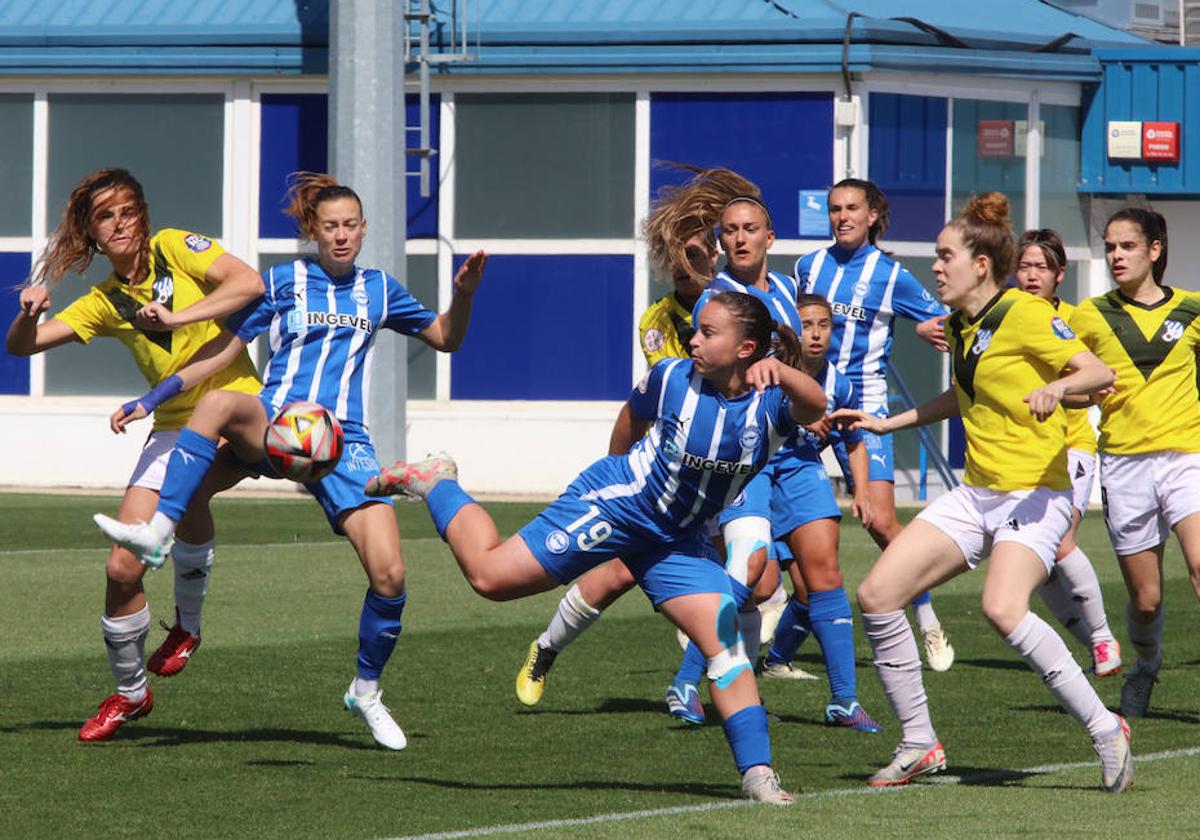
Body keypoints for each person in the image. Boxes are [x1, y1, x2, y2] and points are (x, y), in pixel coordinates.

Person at [368, 290, 827, 804]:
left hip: (677, 540)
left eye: (708, 333)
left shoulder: (768, 407)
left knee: (725, 649)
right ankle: (436, 481)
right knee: (489, 578)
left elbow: (816, 404)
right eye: (695, 330)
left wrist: (781, 371)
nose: (693, 340)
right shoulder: (673, 377)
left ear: (746, 349)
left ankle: (759, 778)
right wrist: (616, 480)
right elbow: (632, 415)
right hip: (618, 507)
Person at [94, 172, 488, 750]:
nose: (342, 236)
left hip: (343, 444)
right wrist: (152, 399)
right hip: (276, 423)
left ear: (363, 228)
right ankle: (157, 535)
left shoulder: (380, 289)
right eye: (330, 226)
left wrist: (466, 293)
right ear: (313, 231)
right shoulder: (281, 283)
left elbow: (447, 338)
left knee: (391, 575)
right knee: (223, 402)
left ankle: (367, 691)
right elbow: (220, 352)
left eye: (351, 225)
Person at [836, 192, 1130, 793]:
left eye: (946, 256)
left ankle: (1106, 730)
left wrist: (1058, 389)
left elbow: (1100, 372)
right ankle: (919, 743)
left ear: (981, 264)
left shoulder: (1023, 311)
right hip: (979, 493)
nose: (936, 267)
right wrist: (887, 422)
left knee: (1001, 608)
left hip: (1036, 495)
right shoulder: (958, 323)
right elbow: (965, 397)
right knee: (877, 593)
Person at [5, 168, 264, 741]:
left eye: (127, 211)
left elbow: (249, 285)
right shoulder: (105, 302)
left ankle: (188, 627)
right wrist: (30, 312)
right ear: (92, 234)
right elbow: (22, 348)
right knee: (121, 567)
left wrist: (179, 317)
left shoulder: (176, 246)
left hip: (237, 406)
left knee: (194, 483)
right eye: (105, 216)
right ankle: (130, 694)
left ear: (142, 215)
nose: (119, 223)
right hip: (173, 426)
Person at [796, 179, 955, 671]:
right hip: (809, 402)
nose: (842, 217)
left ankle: (926, 618)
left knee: (880, 520)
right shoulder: (809, 266)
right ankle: (759, 617)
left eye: (852, 209)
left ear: (872, 216)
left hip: (863, 409)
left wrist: (928, 324)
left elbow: (947, 319)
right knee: (781, 511)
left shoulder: (891, 276)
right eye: (835, 209)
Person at [1067, 208, 1200, 718]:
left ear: (1155, 250)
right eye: (1111, 247)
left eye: (1127, 246)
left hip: (1187, 456)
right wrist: (1080, 395)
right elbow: (1070, 392)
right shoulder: (1088, 315)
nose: (1116, 256)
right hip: (1123, 465)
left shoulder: (1190, 309)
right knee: (1146, 600)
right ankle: (1146, 667)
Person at [1013, 229, 1121, 676]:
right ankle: (1090, 641)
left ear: (1060, 274)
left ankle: (1100, 638)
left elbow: (1101, 386)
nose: (1032, 275)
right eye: (1024, 266)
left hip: (1071, 446)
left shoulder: (1078, 320)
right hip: (1021, 453)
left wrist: (1061, 394)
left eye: (1041, 267)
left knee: (1060, 544)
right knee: (1038, 561)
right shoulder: (1005, 316)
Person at [759, 294, 872, 685]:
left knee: (813, 588)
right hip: (759, 478)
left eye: (824, 325)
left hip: (802, 479)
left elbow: (853, 440)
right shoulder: (771, 371)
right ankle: (697, 669)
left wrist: (862, 491)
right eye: (807, 324)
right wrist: (802, 420)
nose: (816, 333)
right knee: (758, 584)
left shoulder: (839, 384)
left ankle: (777, 662)